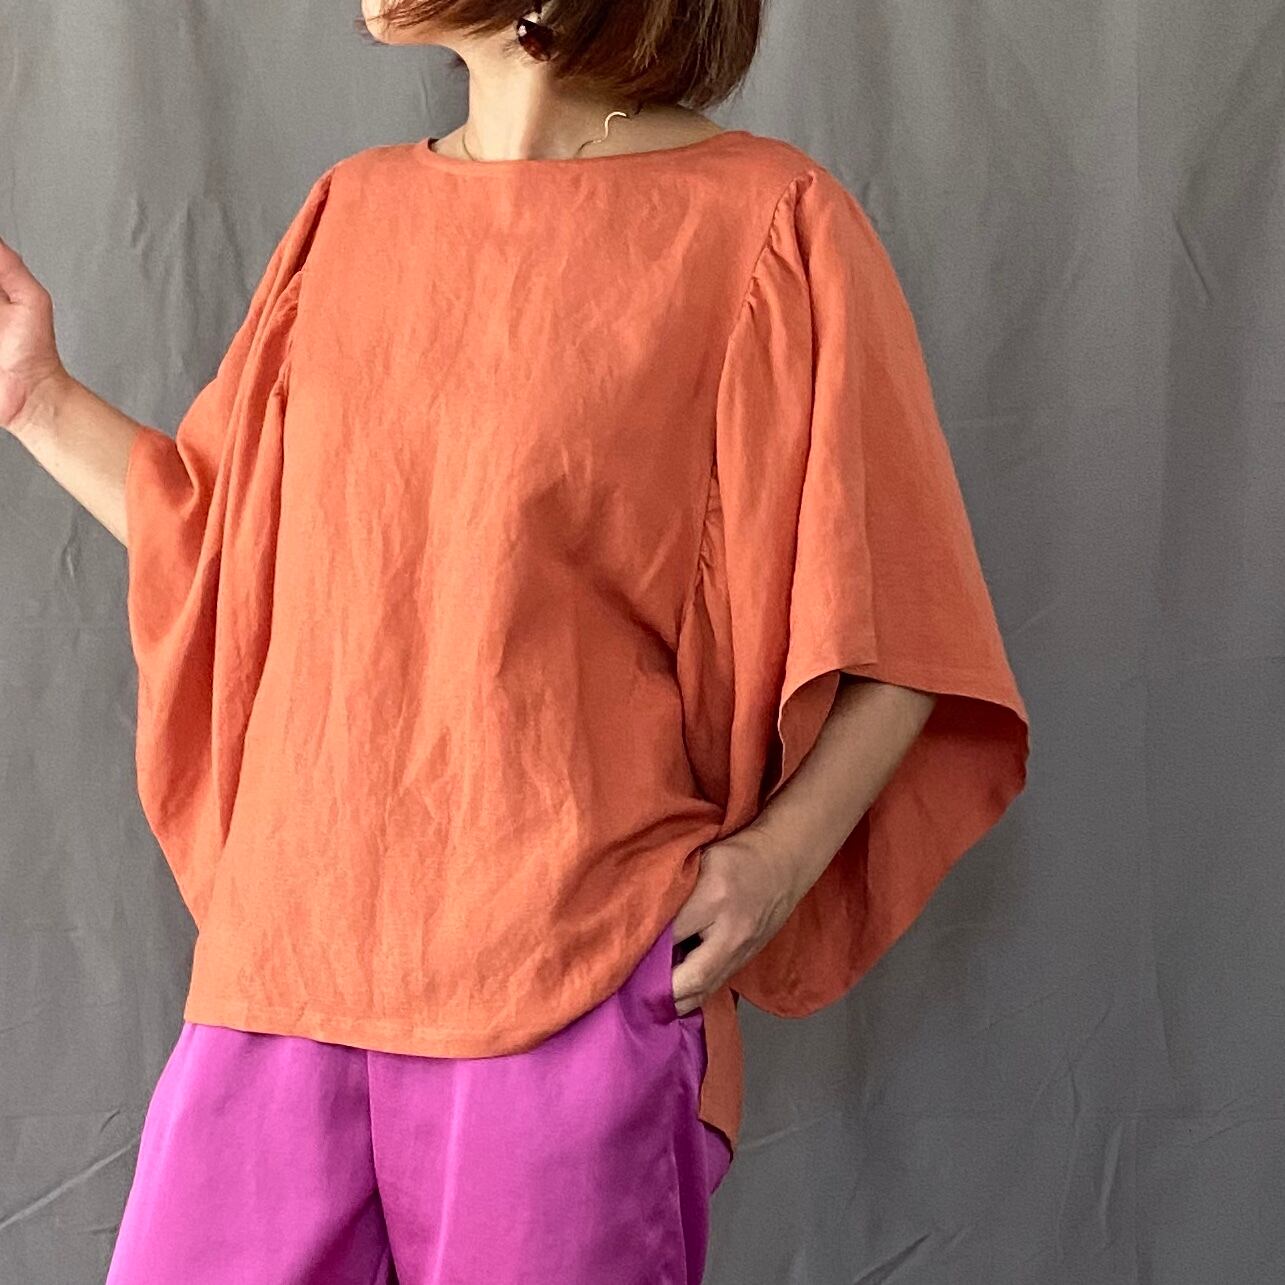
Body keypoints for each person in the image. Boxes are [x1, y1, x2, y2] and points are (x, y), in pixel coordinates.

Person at [0, 2, 1031, 1281]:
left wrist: (773, 864)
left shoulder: (767, 224)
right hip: (286, 962)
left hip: (571, 973)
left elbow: (906, 615)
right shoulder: (351, 214)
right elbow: (222, 547)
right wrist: (34, 397)